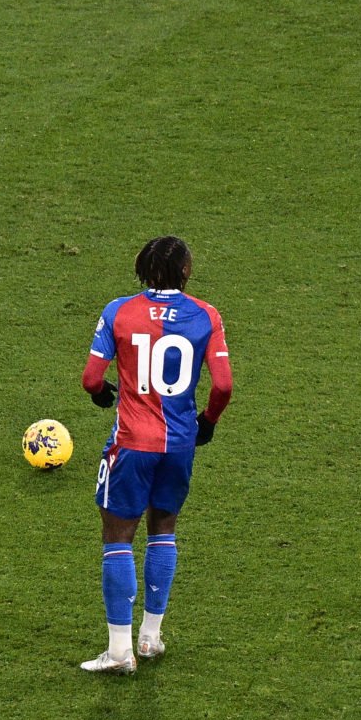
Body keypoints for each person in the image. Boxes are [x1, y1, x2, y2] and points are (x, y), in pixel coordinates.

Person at [78, 236, 234, 673]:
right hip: (179, 444)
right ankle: (150, 638)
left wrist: (101, 392)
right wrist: (208, 421)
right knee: (163, 530)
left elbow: (92, 378)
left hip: (132, 443)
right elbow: (222, 385)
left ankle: (119, 651)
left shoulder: (119, 311)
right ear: (185, 272)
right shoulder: (207, 315)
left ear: (141, 269)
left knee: (117, 538)